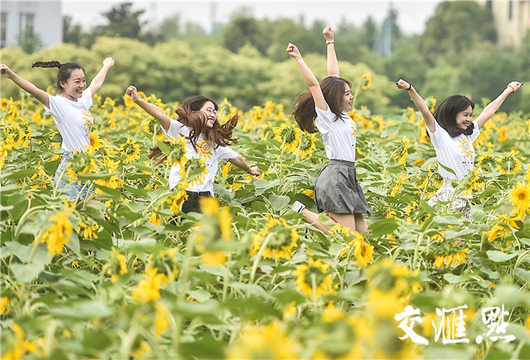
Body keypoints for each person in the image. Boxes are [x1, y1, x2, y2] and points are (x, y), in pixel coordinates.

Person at [395, 78, 523, 220]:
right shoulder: (440, 135)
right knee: (453, 235)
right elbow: (424, 109)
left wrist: (509, 89)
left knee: (466, 236)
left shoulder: (467, 135)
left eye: (470, 115)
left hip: (468, 193)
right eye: (465, 115)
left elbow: (488, 112)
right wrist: (410, 88)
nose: (469, 119)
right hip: (451, 193)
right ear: (452, 114)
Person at [125, 86, 260, 213]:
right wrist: (138, 100)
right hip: (181, 194)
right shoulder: (181, 131)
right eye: (208, 110)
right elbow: (160, 114)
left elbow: (237, 158)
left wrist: (249, 170)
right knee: (177, 231)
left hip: (206, 198)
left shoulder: (214, 142)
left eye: (215, 112)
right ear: (194, 112)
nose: (213, 114)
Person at [288, 26, 370, 235]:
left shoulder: (342, 116)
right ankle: (303, 212)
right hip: (335, 176)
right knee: (347, 237)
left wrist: (330, 41)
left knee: (363, 236)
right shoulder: (327, 117)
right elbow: (315, 85)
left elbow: (334, 76)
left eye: (351, 93)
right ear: (336, 97)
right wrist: (298, 58)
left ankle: (319, 224)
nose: (351, 97)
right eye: (348, 94)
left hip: (349, 175)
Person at [0, 58, 115, 202]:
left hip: (86, 165)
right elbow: (35, 90)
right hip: (70, 168)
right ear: (63, 84)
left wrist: (106, 65)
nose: (82, 85)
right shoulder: (58, 104)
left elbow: (96, 83)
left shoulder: (82, 100)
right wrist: (11, 75)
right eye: (77, 82)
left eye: (83, 81)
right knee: (81, 217)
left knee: (93, 218)